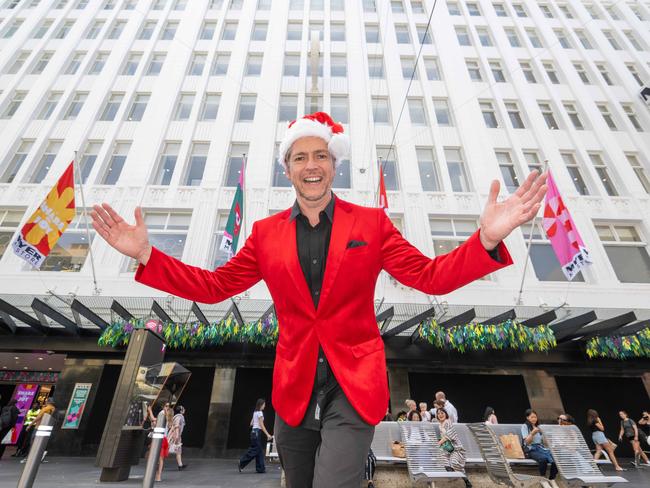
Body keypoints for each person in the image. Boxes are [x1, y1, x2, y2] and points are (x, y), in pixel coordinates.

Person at [91, 110, 547, 488]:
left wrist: (484, 240)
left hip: (353, 386)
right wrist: (148, 255)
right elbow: (215, 287)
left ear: (334, 164)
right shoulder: (265, 235)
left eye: (321, 156)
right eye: (301, 157)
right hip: (294, 388)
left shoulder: (370, 224)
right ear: (287, 168)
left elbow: (430, 276)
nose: (312, 165)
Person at [436, 408, 472, 488]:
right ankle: (453, 475)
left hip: (456, 448)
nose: (440, 415)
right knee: (444, 460)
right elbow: (443, 437)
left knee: (454, 462)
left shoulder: (448, 422)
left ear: (445, 414)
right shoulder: (440, 425)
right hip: (447, 448)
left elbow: (448, 436)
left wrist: (438, 443)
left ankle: (466, 480)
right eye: (438, 413)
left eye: (442, 413)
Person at [521, 409, 558, 480]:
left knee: (556, 459)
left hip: (541, 448)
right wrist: (532, 433)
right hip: (530, 449)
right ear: (527, 417)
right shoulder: (525, 426)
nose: (534, 419)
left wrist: (546, 436)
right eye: (532, 417)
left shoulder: (538, 427)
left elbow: (543, 442)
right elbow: (527, 442)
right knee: (543, 459)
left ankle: (552, 478)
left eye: (535, 417)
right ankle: (542, 478)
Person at [239, 398, 273, 474]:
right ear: (261, 405)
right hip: (257, 432)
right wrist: (267, 434)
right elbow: (261, 425)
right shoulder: (260, 413)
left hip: (253, 433)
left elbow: (251, 423)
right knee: (255, 450)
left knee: (259, 450)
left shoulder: (255, 412)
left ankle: (260, 469)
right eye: (264, 404)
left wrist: (255, 424)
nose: (265, 406)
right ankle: (241, 462)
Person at [21, 399, 55, 464]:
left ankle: (29, 458)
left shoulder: (45, 409)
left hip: (38, 427)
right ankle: (39, 457)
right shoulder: (53, 408)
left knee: (33, 442)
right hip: (46, 427)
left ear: (47, 402)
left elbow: (38, 417)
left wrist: (30, 425)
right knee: (42, 443)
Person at [155, 403, 173, 482]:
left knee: (158, 458)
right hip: (164, 439)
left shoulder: (162, 414)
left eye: (168, 406)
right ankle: (158, 475)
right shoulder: (168, 417)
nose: (166, 408)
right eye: (166, 406)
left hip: (160, 439)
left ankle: (158, 476)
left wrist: (149, 411)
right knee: (160, 459)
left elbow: (155, 422)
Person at [168, 405, 188, 470]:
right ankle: (158, 462)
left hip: (176, 435)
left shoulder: (178, 417)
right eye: (183, 409)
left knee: (178, 451)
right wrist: (176, 436)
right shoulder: (179, 417)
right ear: (181, 410)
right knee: (167, 449)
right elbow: (176, 426)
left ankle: (180, 465)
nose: (184, 410)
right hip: (175, 435)